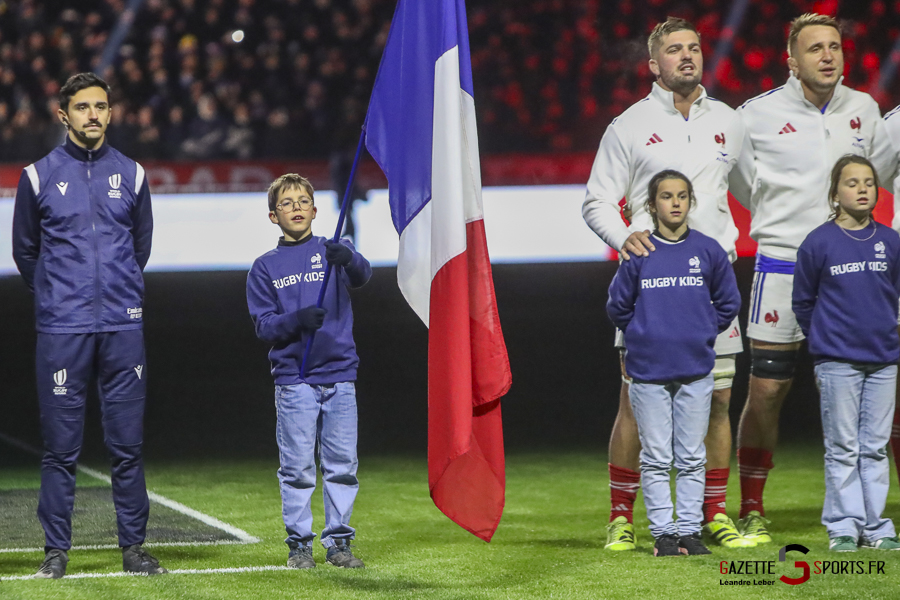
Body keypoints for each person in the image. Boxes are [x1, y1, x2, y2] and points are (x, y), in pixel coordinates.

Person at [583, 17, 751, 550]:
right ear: (653, 64)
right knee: (635, 401)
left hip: (710, 282)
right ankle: (622, 517)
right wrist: (626, 238)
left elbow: (753, 190)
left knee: (720, 400)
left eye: (694, 48)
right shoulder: (627, 125)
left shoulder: (728, 120)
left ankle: (714, 514)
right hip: (652, 288)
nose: (687, 56)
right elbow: (595, 201)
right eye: (674, 50)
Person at [730, 13, 887, 543]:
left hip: (854, 270)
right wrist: (782, 224)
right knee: (769, 388)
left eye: (835, 47)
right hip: (782, 263)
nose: (827, 56)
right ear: (791, 60)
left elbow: (880, 175)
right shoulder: (754, 115)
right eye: (815, 48)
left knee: (874, 389)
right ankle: (751, 506)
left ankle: (872, 513)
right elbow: (740, 181)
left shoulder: (865, 110)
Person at [11, 73, 163, 578]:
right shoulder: (36, 177)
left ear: (111, 113)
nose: (93, 115)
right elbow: (26, 252)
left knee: (128, 447)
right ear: (64, 116)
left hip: (123, 327)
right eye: (82, 107)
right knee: (60, 451)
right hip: (63, 330)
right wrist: (60, 297)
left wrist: (117, 295)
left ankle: (134, 550)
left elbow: (139, 248)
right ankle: (56, 553)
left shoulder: (134, 174)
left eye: (100, 106)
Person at [607, 170, 741, 556]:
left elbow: (729, 302)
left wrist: (700, 330)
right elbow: (617, 306)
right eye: (666, 196)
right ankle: (664, 534)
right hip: (648, 372)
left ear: (691, 201)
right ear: (652, 205)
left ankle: (688, 531)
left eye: (682, 195)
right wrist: (646, 334)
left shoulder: (708, 250)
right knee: (656, 457)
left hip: (696, 371)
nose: (676, 202)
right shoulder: (639, 252)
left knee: (691, 456)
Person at [246, 174, 372, 569]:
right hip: (295, 380)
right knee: (298, 467)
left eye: (303, 201)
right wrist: (298, 319)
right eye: (287, 203)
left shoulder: (334, 250)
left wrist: (348, 257)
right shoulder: (264, 268)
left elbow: (363, 275)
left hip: (339, 375)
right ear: (273, 216)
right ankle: (299, 545)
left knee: (342, 465)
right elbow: (264, 326)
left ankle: (339, 543)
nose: (297, 207)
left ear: (316, 211)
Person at [792, 155, 900, 552]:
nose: (862, 189)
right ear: (835, 192)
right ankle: (843, 526)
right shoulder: (818, 242)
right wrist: (825, 341)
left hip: (884, 360)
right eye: (852, 183)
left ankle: (877, 528)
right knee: (843, 447)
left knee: (874, 447)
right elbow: (803, 302)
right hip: (837, 361)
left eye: (869, 182)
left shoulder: (891, 241)